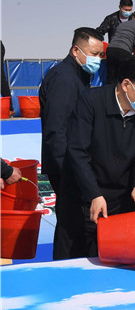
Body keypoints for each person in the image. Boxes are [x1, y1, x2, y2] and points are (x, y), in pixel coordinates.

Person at [53, 55, 135, 260]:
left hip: (117, 199)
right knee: (73, 260)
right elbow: (77, 152)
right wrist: (93, 194)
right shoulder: (91, 102)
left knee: (109, 260)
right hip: (82, 196)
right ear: (126, 85)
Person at [39, 27, 105, 195]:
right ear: (76, 50)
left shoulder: (79, 76)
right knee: (71, 218)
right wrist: (68, 171)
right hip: (67, 166)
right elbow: (56, 130)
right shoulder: (65, 80)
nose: (97, 59)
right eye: (94, 54)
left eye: (100, 55)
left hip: (76, 162)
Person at [106, 9, 135, 84]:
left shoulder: (122, 24)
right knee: (123, 78)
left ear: (133, 16)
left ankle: (109, 94)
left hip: (110, 50)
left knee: (111, 78)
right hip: (123, 52)